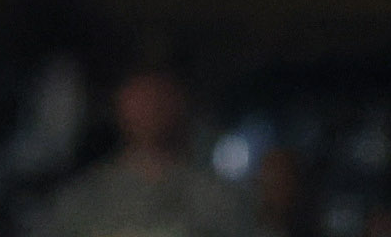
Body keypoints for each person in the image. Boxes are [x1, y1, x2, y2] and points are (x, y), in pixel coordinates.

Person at [36, 67, 253, 237]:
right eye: (140, 96)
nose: (150, 107)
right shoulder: (83, 198)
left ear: (179, 101)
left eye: (160, 95)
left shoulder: (216, 199)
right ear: (120, 102)